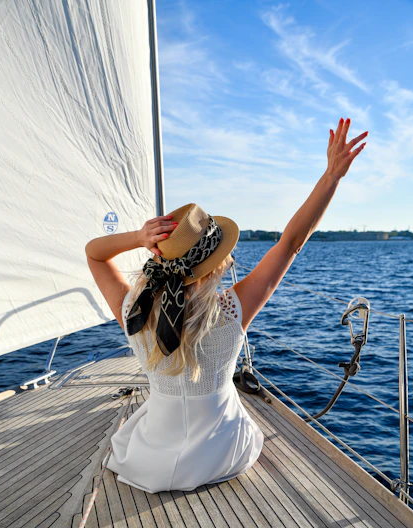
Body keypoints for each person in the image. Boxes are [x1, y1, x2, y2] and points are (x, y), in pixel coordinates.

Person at [85, 117, 368, 493]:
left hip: (149, 456)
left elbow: (94, 255)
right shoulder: (231, 311)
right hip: (218, 452)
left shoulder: (133, 312)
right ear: (216, 264)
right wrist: (331, 176)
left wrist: (139, 237)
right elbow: (291, 242)